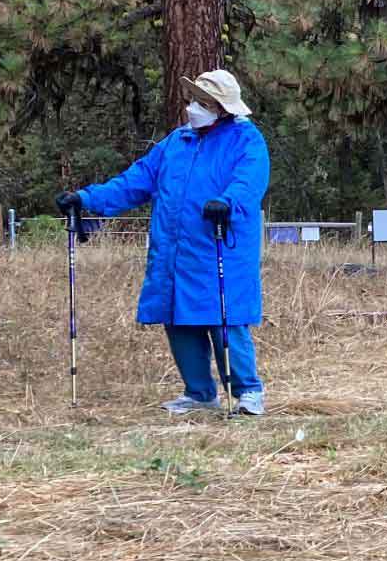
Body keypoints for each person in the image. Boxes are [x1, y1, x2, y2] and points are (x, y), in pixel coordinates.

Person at [55, 70, 270, 415]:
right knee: (178, 317)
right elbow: (134, 181)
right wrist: (86, 198)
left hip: (218, 244)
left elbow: (250, 181)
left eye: (203, 102)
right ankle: (199, 394)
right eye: (193, 100)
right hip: (173, 248)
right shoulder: (176, 142)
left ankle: (247, 392)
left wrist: (228, 202)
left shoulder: (246, 139)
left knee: (223, 318)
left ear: (222, 107)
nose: (193, 108)